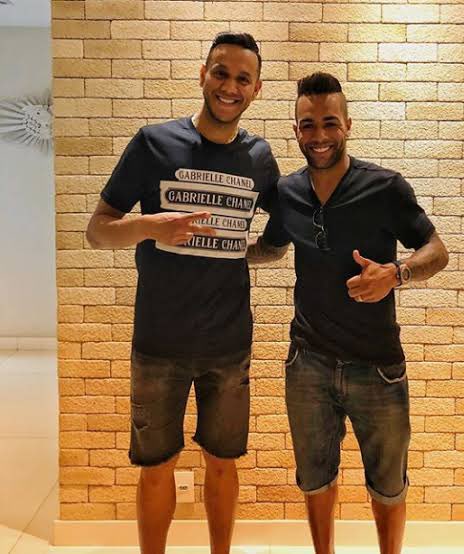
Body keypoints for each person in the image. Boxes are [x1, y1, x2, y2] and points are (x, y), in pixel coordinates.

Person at [86, 32, 286, 554]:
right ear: (203, 74)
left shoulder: (260, 157)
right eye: (221, 72)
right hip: (158, 344)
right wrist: (149, 226)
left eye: (242, 78)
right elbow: (97, 230)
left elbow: (281, 233)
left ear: (256, 89)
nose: (229, 86)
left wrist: (241, 250)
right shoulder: (153, 143)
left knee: (223, 462)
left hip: (229, 345)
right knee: (156, 467)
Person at [250, 72, 449, 554]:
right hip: (308, 363)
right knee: (315, 478)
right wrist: (219, 252)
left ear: (348, 125)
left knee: (389, 485)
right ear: (296, 130)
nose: (319, 135)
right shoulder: (286, 192)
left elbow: (437, 250)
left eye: (329, 123)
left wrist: (396, 274)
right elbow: (272, 248)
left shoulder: (385, 187)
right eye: (308, 125)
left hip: (377, 366)